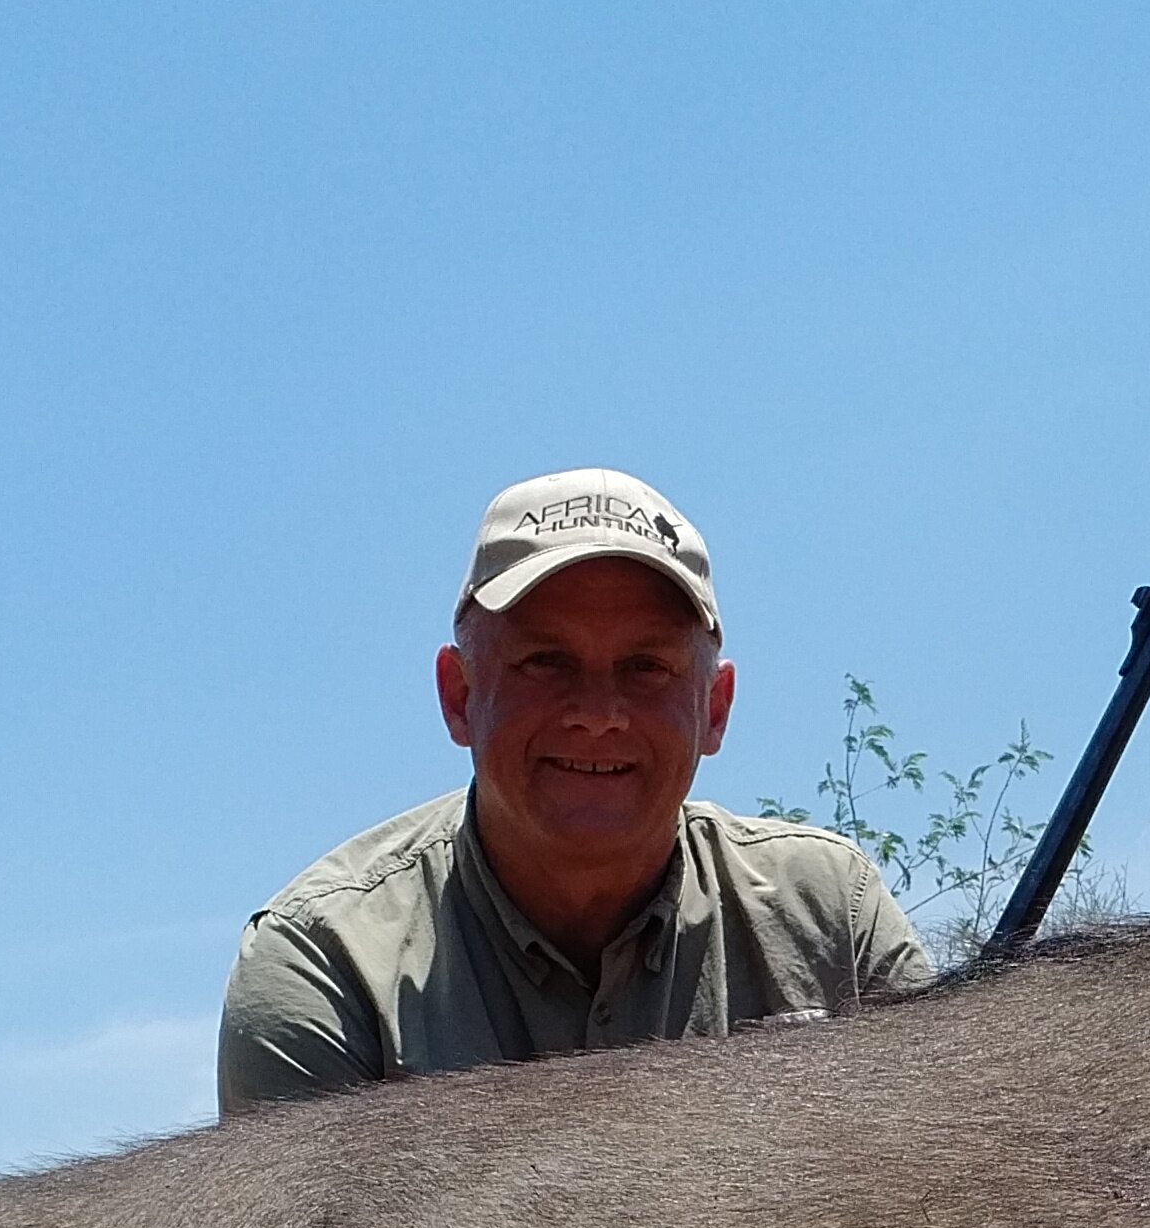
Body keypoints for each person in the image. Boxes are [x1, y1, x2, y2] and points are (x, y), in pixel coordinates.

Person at [218, 466, 934, 1110]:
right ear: (459, 695)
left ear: (715, 709)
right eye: (546, 662)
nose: (598, 714)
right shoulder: (325, 964)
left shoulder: (833, 917)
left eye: (646, 666)